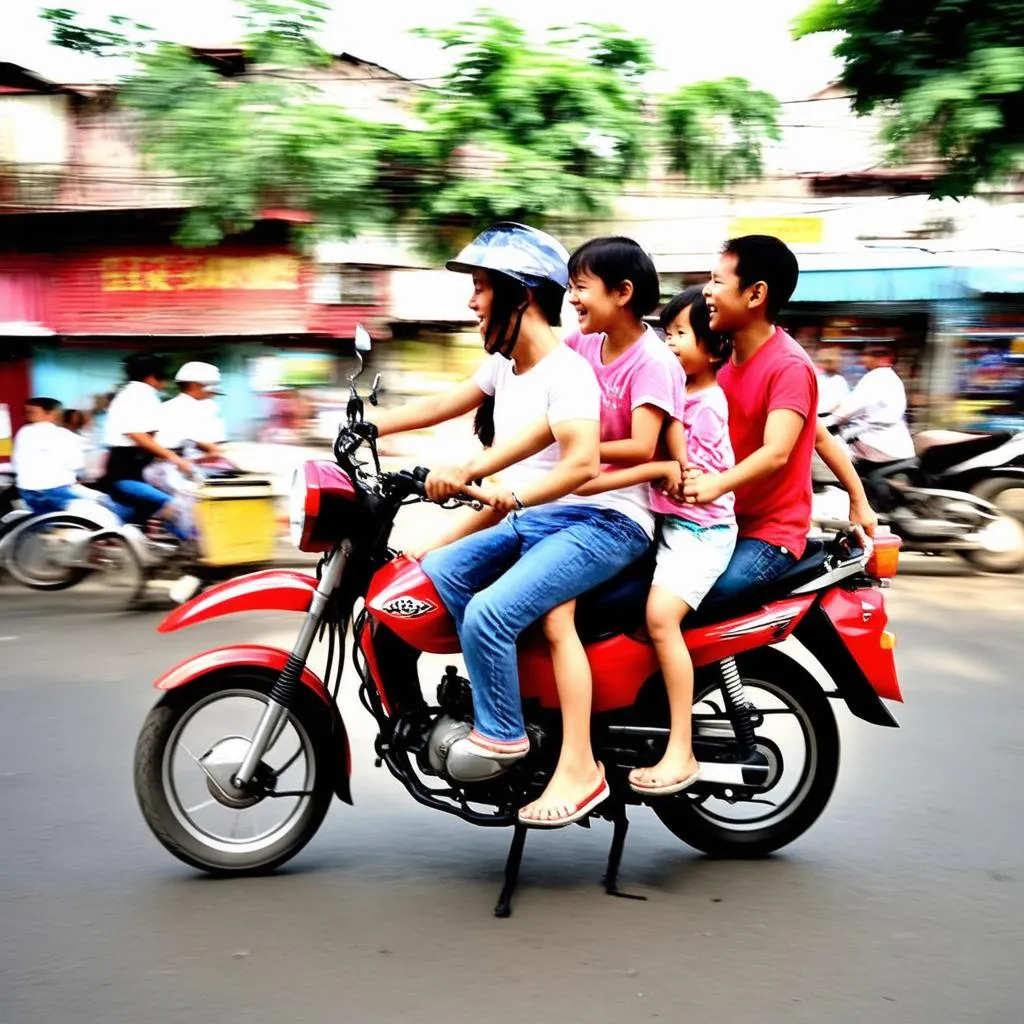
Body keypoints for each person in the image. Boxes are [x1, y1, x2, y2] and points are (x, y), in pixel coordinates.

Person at [372, 222, 651, 788]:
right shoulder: (506, 364)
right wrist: (367, 425)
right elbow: (447, 403)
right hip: (539, 520)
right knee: (428, 579)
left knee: (490, 613)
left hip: (603, 523)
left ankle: (504, 737)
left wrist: (507, 493)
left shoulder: (568, 372)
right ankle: (478, 700)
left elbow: (580, 465)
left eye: (481, 286)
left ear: (520, 294)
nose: (472, 300)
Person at [516, 236, 680, 826]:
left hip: (619, 509)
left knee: (555, 614)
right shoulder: (584, 344)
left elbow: (641, 445)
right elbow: (549, 392)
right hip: (572, 500)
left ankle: (577, 763)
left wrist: (574, 446)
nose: (573, 298)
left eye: (581, 286)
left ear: (623, 292)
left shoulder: (653, 361)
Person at [684, 236, 876, 603]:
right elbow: (819, 435)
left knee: (693, 600)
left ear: (755, 294)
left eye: (718, 281)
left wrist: (715, 484)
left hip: (769, 537)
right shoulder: (721, 360)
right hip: (720, 523)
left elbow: (777, 452)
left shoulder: (787, 365)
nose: (706, 292)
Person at [99, 352, 194, 538]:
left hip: (126, 468)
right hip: (126, 472)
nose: (163, 384)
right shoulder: (142, 394)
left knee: (138, 512)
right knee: (173, 504)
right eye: (162, 379)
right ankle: (191, 547)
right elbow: (138, 435)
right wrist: (173, 457)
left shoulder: (128, 394)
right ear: (151, 377)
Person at [831, 344, 915, 463]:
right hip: (893, 442)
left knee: (834, 456)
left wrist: (834, 418)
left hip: (878, 442)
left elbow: (851, 407)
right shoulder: (890, 376)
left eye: (866, 355)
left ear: (881, 359)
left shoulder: (876, 376)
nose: (862, 359)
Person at [11, 397, 86, 515]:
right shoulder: (63, 434)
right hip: (56, 491)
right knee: (103, 506)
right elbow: (77, 464)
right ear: (53, 414)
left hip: (27, 491)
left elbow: (15, 465)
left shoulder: (23, 432)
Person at [815, 345, 850, 415]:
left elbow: (842, 401)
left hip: (832, 416)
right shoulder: (819, 378)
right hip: (820, 416)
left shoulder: (839, 380)